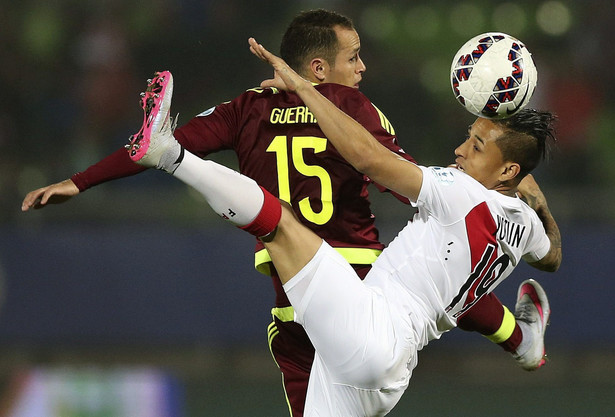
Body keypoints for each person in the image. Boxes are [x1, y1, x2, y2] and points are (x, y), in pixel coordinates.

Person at [21, 10, 552, 416]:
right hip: (362, 284)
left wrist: (80, 179)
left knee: (276, 222)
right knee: (439, 267)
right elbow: (389, 170)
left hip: (298, 306)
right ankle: (520, 340)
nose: (363, 67)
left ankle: (170, 159)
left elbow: (159, 137)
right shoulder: (356, 110)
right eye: (354, 57)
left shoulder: (246, 109)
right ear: (320, 67)